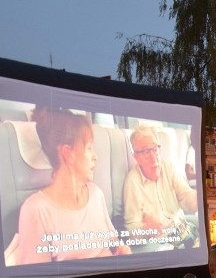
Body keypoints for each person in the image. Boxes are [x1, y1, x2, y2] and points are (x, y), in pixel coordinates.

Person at [16, 106, 131, 264]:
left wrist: (122, 250)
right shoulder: (35, 210)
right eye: (89, 148)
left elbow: (114, 243)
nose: (95, 156)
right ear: (67, 154)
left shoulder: (96, 194)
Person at [123, 126, 199, 249]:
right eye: (146, 152)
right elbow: (132, 231)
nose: (154, 157)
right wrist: (147, 230)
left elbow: (185, 196)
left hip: (183, 227)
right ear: (136, 157)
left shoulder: (168, 167)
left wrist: (200, 199)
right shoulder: (132, 182)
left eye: (155, 149)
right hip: (163, 242)